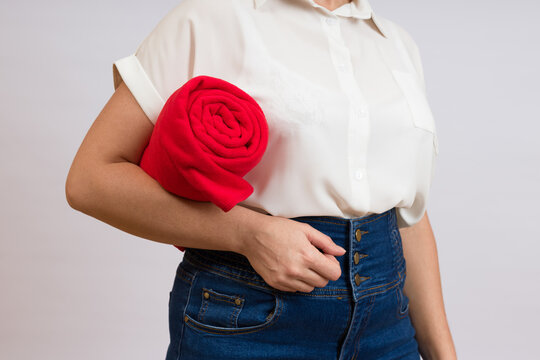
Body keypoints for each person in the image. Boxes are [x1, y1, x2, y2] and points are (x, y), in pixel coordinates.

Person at [65, 0, 457, 358]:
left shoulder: (396, 45)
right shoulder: (209, 19)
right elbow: (91, 179)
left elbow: (408, 218)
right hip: (250, 318)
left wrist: (444, 354)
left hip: (386, 325)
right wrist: (248, 233)